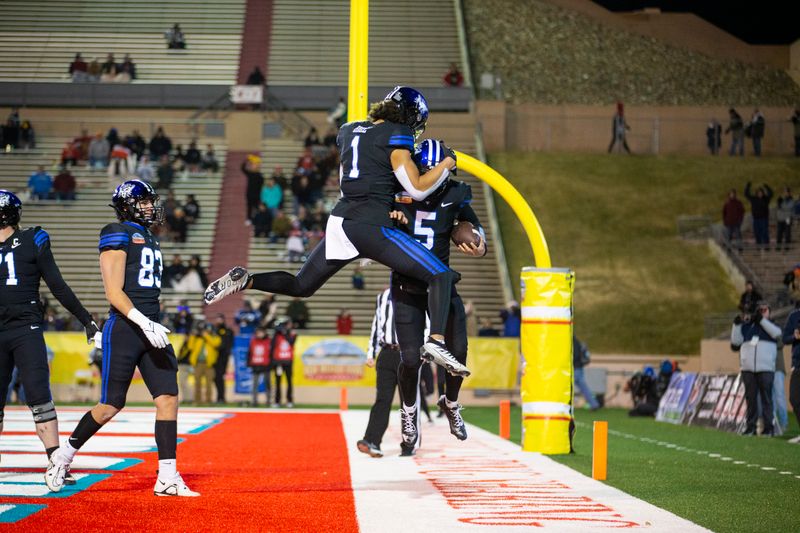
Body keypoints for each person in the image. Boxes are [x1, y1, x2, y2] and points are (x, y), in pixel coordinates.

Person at [204, 86, 465, 381]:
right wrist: (446, 163)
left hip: (342, 220)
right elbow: (417, 188)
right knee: (441, 274)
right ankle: (436, 342)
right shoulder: (397, 133)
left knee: (301, 285)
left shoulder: (349, 130)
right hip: (371, 226)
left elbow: (363, 177)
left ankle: (248, 279)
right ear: (407, 116)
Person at [46, 179, 199, 496]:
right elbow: (114, 293)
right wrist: (143, 321)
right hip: (128, 327)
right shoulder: (116, 232)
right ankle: (64, 455)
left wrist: (152, 322)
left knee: (168, 397)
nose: (149, 207)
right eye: (143, 201)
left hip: (150, 326)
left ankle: (167, 476)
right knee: (110, 405)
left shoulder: (150, 238)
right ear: (128, 204)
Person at [389, 139, 487, 452]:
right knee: (409, 358)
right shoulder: (396, 189)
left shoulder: (455, 192)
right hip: (406, 284)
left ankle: (451, 402)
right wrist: (389, 216)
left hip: (440, 285)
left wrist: (477, 241)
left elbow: (476, 227)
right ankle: (408, 412)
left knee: (458, 351)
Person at [0, 190, 100, 490]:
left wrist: (85, 318)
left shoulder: (33, 239)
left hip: (24, 327)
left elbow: (56, 283)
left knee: (38, 394)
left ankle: (56, 460)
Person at [357, 288, 398, 458]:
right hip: (387, 353)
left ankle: (411, 443)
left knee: (411, 402)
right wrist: (371, 353)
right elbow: (377, 324)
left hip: (409, 353)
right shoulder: (383, 296)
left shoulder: (419, 291)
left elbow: (426, 323)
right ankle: (372, 441)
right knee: (382, 399)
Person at [731, 302, 781, 436]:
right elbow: (735, 342)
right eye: (759, 310)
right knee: (751, 400)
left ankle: (768, 428)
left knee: (766, 399)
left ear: (769, 312)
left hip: (765, 369)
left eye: (764, 310)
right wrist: (736, 325)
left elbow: (777, 334)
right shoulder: (747, 326)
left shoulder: (772, 325)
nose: (762, 312)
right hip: (748, 369)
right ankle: (751, 427)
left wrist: (762, 321)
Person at [782, 303, 800, 443]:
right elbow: (784, 338)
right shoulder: (794, 316)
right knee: (794, 398)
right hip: (798, 364)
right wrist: (794, 336)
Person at [190, 322, 219, 405]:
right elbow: (190, 347)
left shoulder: (214, 337)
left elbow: (215, 344)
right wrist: (192, 335)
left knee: (209, 383)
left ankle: (208, 401)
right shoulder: (198, 339)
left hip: (209, 364)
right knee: (197, 383)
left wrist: (206, 336)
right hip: (198, 363)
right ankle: (197, 400)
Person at [270, 319, 296, 407]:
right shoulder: (276, 336)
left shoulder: (292, 334)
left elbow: (291, 342)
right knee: (278, 382)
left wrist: (285, 333)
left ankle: (289, 400)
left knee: (289, 381)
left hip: (288, 361)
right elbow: (272, 346)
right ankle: (277, 401)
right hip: (278, 362)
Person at [573, 336, 599, 410]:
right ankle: (594, 404)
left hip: (575, 368)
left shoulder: (573, 342)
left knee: (567, 387)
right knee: (583, 388)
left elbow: (575, 355)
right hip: (578, 368)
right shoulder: (576, 341)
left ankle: (594, 404)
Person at [247, 326, 272, 406]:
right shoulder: (253, 341)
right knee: (255, 384)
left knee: (267, 383)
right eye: (258, 332)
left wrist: (271, 364)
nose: (259, 334)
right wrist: (249, 363)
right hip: (255, 365)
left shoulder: (268, 341)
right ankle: (254, 401)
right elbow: (250, 352)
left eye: (261, 332)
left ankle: (268, 400)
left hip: (265, 365)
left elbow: (271, 353)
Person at [744, 182, 773, 249]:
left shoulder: (766, 199)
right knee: (757, 233)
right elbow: (746, 194)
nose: (760, 194)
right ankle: (758, 246)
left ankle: (766, 247)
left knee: (764, 233)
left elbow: (771, 194)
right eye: (759, 193)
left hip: (764, 219)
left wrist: (766, 186)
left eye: (761, 192)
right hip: (756, 219)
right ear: (757, 193)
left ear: (763, 193)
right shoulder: (754, 199)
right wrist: (748, 186)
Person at [212, 313, 234, 404]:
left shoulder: (228, 331)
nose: (218, 321)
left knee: (220, 378)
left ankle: (221, 397)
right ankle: (218, 397)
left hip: (223, 358)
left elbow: (227, 344)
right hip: (214, 357)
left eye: (220, 319)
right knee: (216, 378)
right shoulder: (214, 330)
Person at [242, 154, 264, 222]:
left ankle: (258, 219)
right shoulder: (250, 173)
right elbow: (242, 168)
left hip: (257, 195)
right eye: (252, 165)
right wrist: (246, 160)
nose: (253, 166)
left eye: (254, 165)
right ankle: (248, 219)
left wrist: (260, 196)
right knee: (249, 207)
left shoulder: (260, 175)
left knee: (257, 208)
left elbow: (261, 186)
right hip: (249, 194)